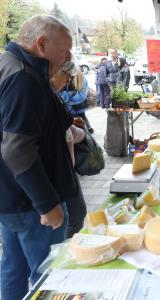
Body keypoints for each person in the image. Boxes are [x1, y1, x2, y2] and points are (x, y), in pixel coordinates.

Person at [0, 15, 77, 299]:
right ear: (42, 43)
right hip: (32, 203)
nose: (67, 57)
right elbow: (17, 149)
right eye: (65, 50)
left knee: (13, 269)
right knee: (47, 274)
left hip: (11, 198)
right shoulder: (23, 78)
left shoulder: (9, 65)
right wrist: (47, 204)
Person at [50, 61, 87, 238]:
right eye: (66, 77)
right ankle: (66, 251)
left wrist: (73, 127)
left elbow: (67, 132)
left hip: (62, 172)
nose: (67, 82)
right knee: (74, 218)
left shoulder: (51, 96)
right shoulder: (44, 98)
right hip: (56, 177)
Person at [59, 68, 94, 133]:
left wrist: (67, 99)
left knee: (81, 124)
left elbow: (82, 95)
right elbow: (58, 94)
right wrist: (70, 95)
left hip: (77, 108)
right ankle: (88, 130)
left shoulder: (81, 77)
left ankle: (88, 131)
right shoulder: (60, 74)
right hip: (66, 110)